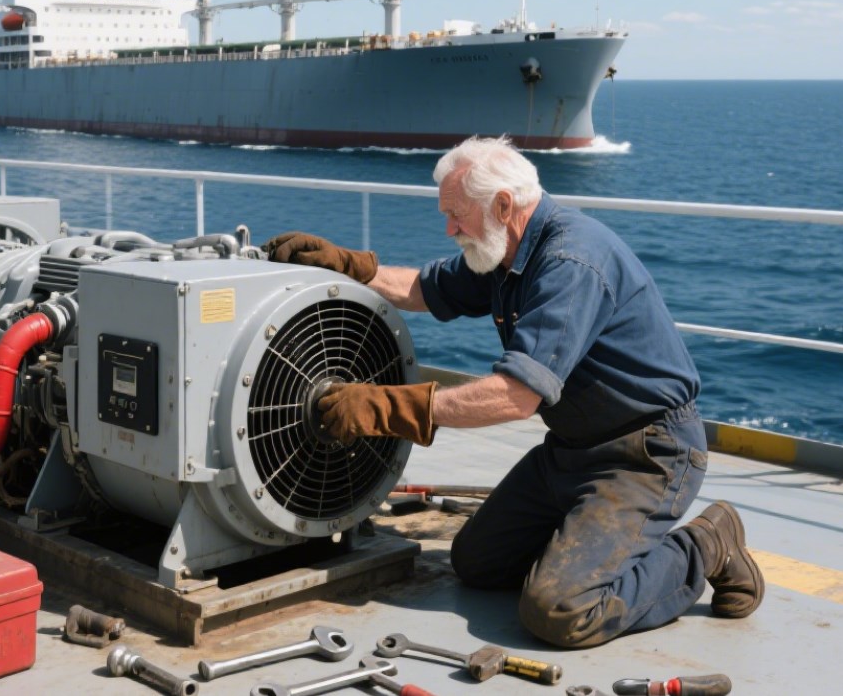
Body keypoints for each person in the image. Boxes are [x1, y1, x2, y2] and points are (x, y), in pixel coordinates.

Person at [263, 136, 764, 648]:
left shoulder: (570, 262)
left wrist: (385, 406)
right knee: (475, 563)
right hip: (572, 452)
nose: (450, 229)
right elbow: (426, 290)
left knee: (560, 610)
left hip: (646, 455)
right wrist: (353, 267)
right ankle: (586, 543)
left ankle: (707, 544)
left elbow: (516, 396)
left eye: (457, 215)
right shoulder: (505, 252)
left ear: (504, 205)